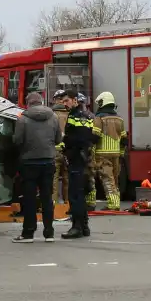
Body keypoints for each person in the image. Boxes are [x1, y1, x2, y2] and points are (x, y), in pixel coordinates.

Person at [12, 92, 62, 243]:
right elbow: (59, 138)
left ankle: (28, 233)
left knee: (29, 198)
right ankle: (49, 232)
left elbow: (17, 141)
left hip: (29, 163)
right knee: (47, 197)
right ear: (41, 102)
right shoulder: (53, 117)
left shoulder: (23, 118)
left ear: (28, 103)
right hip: (48, 161)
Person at [60, 90, 97, 239]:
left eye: (67, 100)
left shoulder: (77, 115)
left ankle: (77, 227)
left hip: (77, 159)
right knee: (80, 193)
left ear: (75, 100)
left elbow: (79, 138)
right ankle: (84, 226)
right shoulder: (85, 114)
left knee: (75, 195)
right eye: (63, 101)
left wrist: (66, 143)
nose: (65, 104)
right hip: (82, 158)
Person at [90, 92, 127, 211]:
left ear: (103, 103)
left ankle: (113, 204)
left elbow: (94, 138)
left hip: (102, 154)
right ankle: (116, 201)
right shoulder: (119, 119)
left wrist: (92, 155)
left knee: (107, 179)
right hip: (116, 154)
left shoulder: (99, 118)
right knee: (115, 179)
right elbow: (124, 140)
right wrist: (121, 154)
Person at [77, 92, 98, 208]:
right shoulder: (91, 116)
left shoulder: (77, 115)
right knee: (89, 176)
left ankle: (88, 202)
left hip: (85, 149)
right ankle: (90, 202)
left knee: (86, 176)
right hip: (88, 148)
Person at [50, 90, 70, 206]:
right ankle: (68, 203)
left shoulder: (51, 115)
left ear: (55, 100)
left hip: (54, 150)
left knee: (54, 178)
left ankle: (54, 204)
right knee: (68, 178)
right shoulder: (70, 114)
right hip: (67, 150)